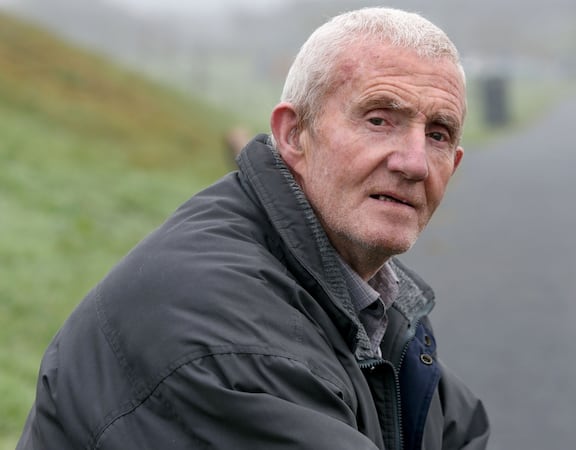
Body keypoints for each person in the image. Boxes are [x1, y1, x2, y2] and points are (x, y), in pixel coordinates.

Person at [17, 7, 489, 450]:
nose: (414, 163)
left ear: (456, 163)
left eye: (438, 134)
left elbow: (460, 430)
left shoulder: (370, 298)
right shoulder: (224, 335)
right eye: (379, 119)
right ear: (293, 135)